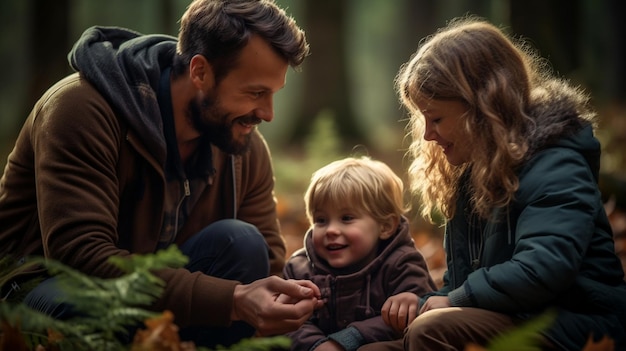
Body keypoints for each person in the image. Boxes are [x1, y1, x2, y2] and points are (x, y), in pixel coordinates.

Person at [0, 0, 323, 348]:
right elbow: (81, 258)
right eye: (255, 92)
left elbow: (266, 263)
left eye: (273, 94)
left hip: (159, 297)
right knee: (87, 311)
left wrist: (285, 306)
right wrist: (232, 299)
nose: (268, 113)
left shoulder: (241, 143)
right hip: (46, 290)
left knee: (241, 242)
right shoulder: (81, 110)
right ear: (200, 72)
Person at [378, 16, 626, 351]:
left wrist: (454, 301)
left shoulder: (555, 162)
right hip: (508, 316)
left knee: (431, 331)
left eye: (436, 118)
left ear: (482, 108)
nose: (427, 135)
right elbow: (462, 285)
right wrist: (423, 301)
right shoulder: (474, 174)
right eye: (422, 119)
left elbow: (545, 267)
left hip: (572, 325)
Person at [282, 156, 437, 351]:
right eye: (321, 220)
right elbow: (286, 321)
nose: (330, 230)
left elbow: (419, 315)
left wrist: (349, 338)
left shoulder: (401, 264)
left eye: (346, 218)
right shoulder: (300, 268)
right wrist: (316, 345)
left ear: (385, 226)